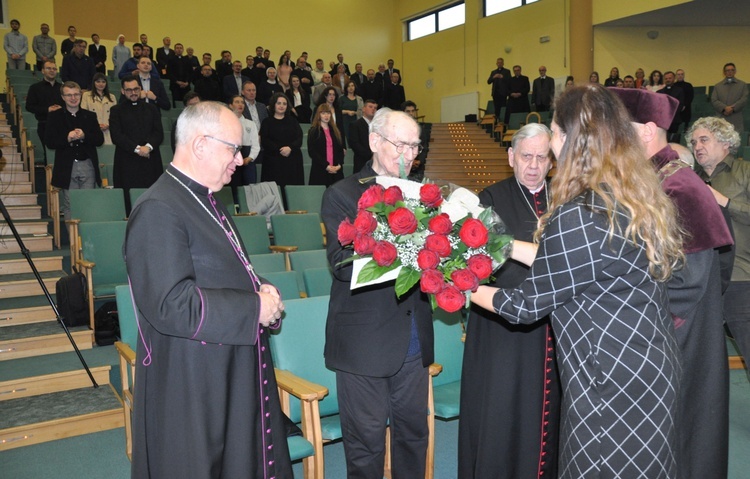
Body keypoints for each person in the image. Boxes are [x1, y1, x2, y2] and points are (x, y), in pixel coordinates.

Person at [470, 84, 685, 478]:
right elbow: (575, 264)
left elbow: (524, 306)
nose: (550, 144)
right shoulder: (626, 194)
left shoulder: (579, 212)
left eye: (552, 132)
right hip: (647, 367)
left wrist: (460, 283)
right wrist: (499, 244)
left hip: (609, 380)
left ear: (571, 140)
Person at [124, 100, 293, 479]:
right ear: (200, 145)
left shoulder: (206, 199)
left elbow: (224, 271)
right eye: (233, 149)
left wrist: (263, 289)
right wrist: (255, 309)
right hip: (192, 383)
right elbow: (171, 304)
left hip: (225, 369)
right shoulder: (159, 208)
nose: (239, 160)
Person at [613, 88, 734, 479]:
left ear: (647, 131)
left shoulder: (679, 187)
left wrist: (628, 304)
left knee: (684, 434)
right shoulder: (655, 179)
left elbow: (691, 281)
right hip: (673, 331)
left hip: (681, 336)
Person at [321, 108, 433, 478]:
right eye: (400, 144)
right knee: (366, 444)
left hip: (413, 338)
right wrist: (402, 246)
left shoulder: (425, 195)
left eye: (414, 146)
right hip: (363, 342)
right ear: (374, 141)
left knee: (414, 437)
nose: (409, 155)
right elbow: (340, 263)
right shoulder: (342, 194)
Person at [459, 123, 561, 479]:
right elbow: (476, 263)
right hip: (502, 325)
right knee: (502, 410)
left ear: (551, 161)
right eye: (526, 156)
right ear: (511, 157)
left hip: (555, 327)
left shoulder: (566, 198)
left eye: (541, 157)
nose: (533, 165)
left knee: (551, 411)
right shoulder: (489, 199)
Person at [689, 116, 750, 370]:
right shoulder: (689, 179)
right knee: (702, 364)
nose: (697, 146)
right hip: (700, 283)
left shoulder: (745, 171)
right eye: (693, 142)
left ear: (725, 142)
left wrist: (722, 200)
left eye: (704, 139)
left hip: (740, 278)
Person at [45, 81, 104, 219]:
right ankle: (73, 239)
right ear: (63, 97)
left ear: (81, 95)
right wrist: (67, 137)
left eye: (76, 94)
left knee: (88, 203)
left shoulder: (90, 116)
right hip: (67, 165)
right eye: (69, 95)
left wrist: (84, 136)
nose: (73, 98)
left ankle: (86, 239)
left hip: (87, 164)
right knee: (70, 203)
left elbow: (99, 139)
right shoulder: (55, 116)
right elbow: (49, 142)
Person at [109, 75, 164, 214]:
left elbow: (159, 133)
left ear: (140, 89)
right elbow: (116, 136)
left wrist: (148, 147)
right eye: (129, 90)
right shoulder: (116, 110)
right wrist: (138, 149)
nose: (133, 93)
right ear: (122, 91)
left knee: (153, 200)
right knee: (130, 203)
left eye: (136, 89)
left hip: (151, 162)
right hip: (127, 162)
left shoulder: (151, 109)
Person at [259, 92, 304, 204]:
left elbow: (299, 137)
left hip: (292, 161)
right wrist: (280, 149)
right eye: (279, 103)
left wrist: (290, 148)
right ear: (273, 105)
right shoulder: (266, 122)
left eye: (284, 103)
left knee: (292, 193)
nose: (281, 106)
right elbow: (265, 140)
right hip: (273, 162)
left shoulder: (293, 121)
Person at [25, 61, 64, 162]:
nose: (52, 71)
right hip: (44, 124)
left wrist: (62, 108)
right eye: (49, 68)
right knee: (49, 153)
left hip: (62, 124)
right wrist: (48, 109)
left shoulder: (62, 88)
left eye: (54, 69)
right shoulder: (35, 88)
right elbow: (29, 107)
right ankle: (49, 176)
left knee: (63, 153)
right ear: (42, 71)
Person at [307, 103, 345, 187]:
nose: (326, 115)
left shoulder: (335, 131)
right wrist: (326, 166)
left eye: (328, 113)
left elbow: (340, 150)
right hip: (320, 170)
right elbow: (312, 152)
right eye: (323, 113)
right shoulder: (314, 131)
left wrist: (339, 165)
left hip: (336, 171)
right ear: (318, 115)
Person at [229, 95, 261, 187]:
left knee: (249, 187)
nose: (240, 104)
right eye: (237, 102)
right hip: (231, 157)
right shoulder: (225, 122)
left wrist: (250, 157)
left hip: (247, 157)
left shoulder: (250, 124)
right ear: (230, 105)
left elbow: (255, 144)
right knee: (234, 186)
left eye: (242, 102)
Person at [711, 63, 748, 132]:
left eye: (732, 70)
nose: (730, 72)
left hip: (736, 117)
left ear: (735, 71)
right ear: (724, 72)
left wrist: (732, 108)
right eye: (727, 70)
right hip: (722, 117)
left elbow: (744, 99)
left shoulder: (742, 85)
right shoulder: (718, 86)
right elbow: (714, 100)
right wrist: (724, 108)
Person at [81, 72, 117, 144]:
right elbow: (83, 114)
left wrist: (108, 125)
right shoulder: (86, 95)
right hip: (93, 130)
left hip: (108, 131)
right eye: (98, 81)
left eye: (103, 82)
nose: (101, 84)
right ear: (94, 82)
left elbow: (115, 116)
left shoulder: (112, 97)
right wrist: (97, 125)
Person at [349, 99, 376, 173]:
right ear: (363, 109)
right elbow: (354, 144)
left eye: (375, 108)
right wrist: (370, 155)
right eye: (370, 107)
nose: (373, 109)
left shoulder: (378, 126)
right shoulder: (355, 124)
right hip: (361, 163)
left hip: (376, 164)